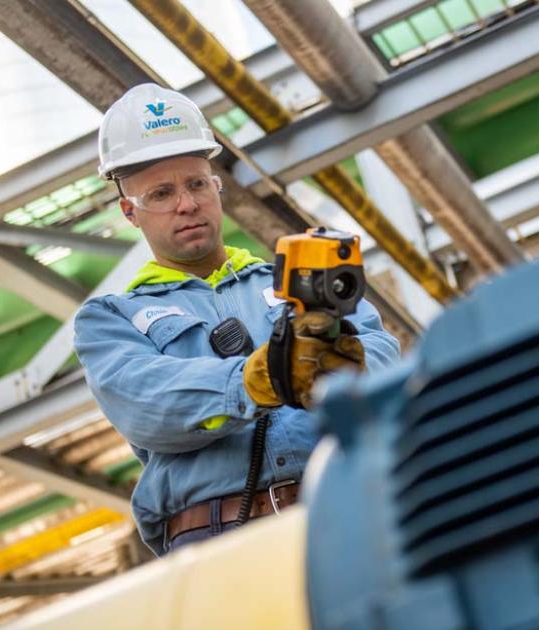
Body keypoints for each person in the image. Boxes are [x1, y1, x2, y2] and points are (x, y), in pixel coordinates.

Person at [73, 83, 400, 555]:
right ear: (130, 212)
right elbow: (145, 404)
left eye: (197, 183)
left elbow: (384, 356)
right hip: (218, 540)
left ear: (216, 186)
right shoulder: (111, 320)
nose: (186, 204)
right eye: (161, 193)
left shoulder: (300, 279)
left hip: (349, 503)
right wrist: (255, 381)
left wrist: (344, 363)